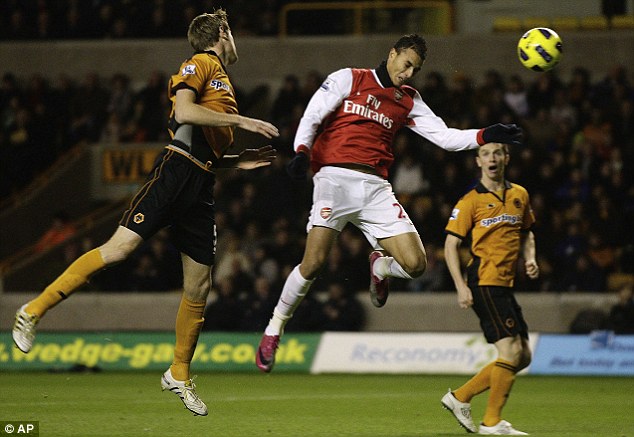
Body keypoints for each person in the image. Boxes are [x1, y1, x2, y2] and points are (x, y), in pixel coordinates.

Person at [12, 8, 279, 416]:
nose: (236, 39)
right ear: (223, 32)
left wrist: (237, 160)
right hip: (174, 174)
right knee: (119, 249)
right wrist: (242, 120)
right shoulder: (201, 63)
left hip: (201, 184)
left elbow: (205, 143)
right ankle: (32, 311)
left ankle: (178, 372)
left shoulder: (223, 80)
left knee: (199, 286)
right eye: (233, 31)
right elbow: (184, 112)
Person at [255, 34, 523, 373]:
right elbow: (313, 114)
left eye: (416, 69)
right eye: (407, 63)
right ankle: (274, 328)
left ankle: (380, 267)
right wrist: (301, 151)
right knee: (313, 264)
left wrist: (487, 134)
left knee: (416, 264)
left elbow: (444, 136)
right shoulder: (349, 78)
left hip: (376, 188)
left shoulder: (408, 99)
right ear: (392, 54)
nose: (409, 73)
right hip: (334, 180)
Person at [442, 142, 538, 435]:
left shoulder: (520, 194)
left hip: (505, 284)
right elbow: (450, 245)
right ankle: (491, 423)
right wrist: (460, 286)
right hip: (484, 280)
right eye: (486, 153)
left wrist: (530, 257)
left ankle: (460, 397)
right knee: (509, 351)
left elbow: (527, 232)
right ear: (478, 161)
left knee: (523, 356)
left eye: (497, 152)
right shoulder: (470, 201)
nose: (492, 157)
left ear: (506, 158)